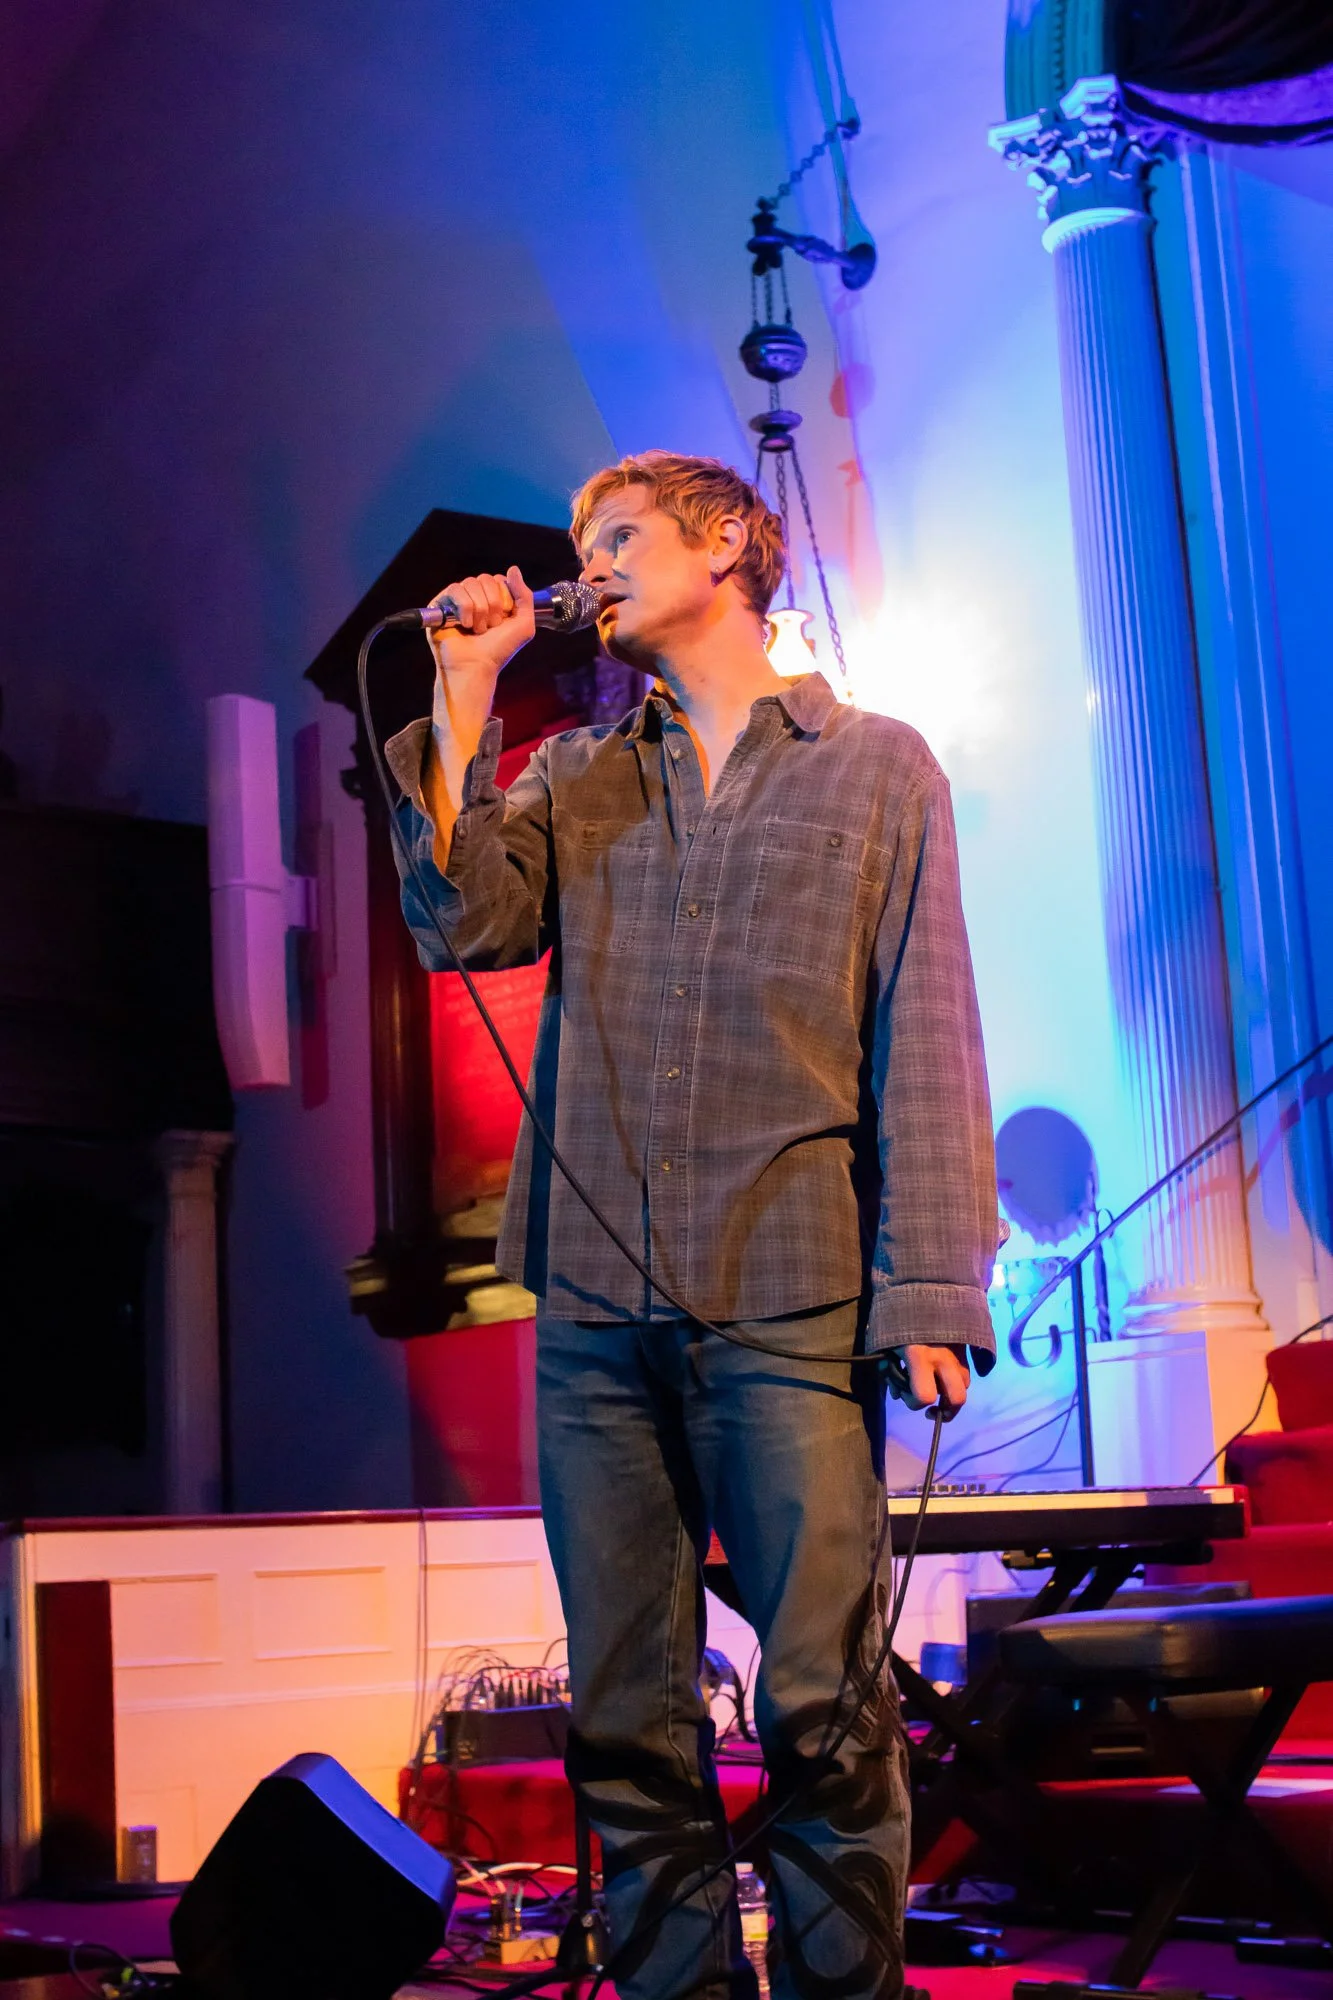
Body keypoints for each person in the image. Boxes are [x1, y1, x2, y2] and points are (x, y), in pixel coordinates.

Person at [386, 452, 998, 2000]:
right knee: (626, 1706)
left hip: (790, 1290)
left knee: (820, 1700)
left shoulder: (877, 768)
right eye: (580, 544)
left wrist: (929, 1283)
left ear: (727, 540)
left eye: (616, 537)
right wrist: (464, 699)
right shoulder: (579, 773)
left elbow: (924, 1028)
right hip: (595, 1303)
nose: (585, 567)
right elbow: (464, 920)